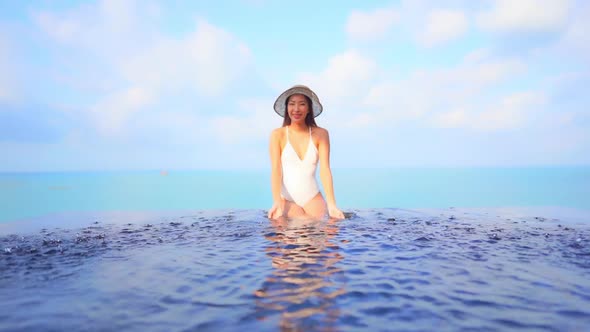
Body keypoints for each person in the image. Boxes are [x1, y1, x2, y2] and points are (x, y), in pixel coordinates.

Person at [267, 85, 345, 220]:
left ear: (309, 108)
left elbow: (325, 169)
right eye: (292, 104)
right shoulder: (277, 135)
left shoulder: (321, 134)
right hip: (287, 200)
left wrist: (332, 204)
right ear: (287, 108)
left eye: (302, 104)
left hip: (313, 198)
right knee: (300, 226)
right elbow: (276, 169)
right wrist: (277, 202)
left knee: (321, 231)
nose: (296, 109)